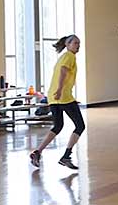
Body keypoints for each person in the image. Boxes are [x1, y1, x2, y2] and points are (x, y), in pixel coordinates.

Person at [30, 35, 85, 169]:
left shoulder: (63, 57)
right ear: (68, 44)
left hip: (54, 97)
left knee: (58, 126)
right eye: (75, 43)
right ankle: (66, 156)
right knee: (80, 126)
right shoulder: (69, 56)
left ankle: (37, 152)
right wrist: (61, 90)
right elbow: (63, 72)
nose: (78, 45)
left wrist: (61, 93)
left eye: (79, 43)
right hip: (62, 96)